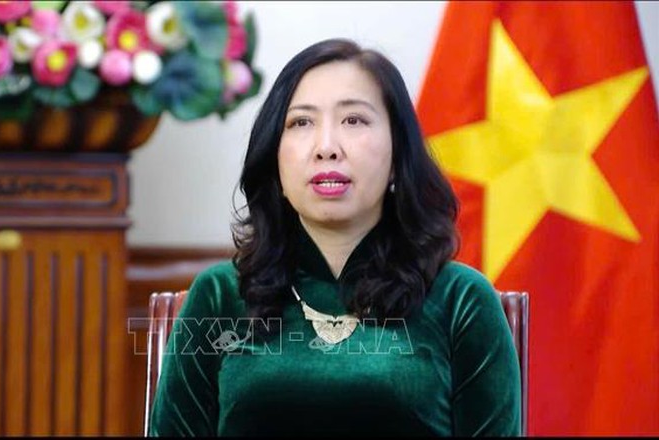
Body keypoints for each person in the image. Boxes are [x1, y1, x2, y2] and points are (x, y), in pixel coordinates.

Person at [149, 38, 521, 436]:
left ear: (398, 157)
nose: (326, 147)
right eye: (301, 123)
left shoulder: (460, 300)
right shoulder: (219, 295)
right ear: (274, 160)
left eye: (354, 120)